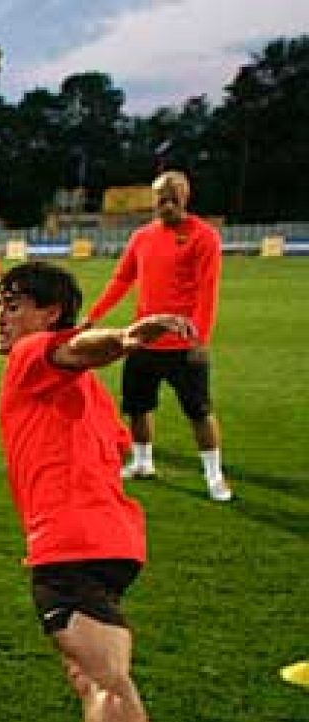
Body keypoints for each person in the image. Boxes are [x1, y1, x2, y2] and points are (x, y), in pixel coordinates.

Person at [0, 260, 194, 722]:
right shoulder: (88, 398)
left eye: (15, 303)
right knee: (88, 675)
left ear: (49, 314)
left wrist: (127, 338)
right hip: (109, 542)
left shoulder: (35, 355)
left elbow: (80, 349)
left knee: (106, 679)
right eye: (0, 303)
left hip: (71, 544)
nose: (2, 315)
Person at [84, 170, 231, 501]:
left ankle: (214, 475)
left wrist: (198, 339)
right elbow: (121, 280)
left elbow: (208, 292)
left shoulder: (203, 237)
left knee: (199, 411)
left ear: (186, 196)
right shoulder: (142, 237)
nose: (166, 203)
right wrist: (94, 316)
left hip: (183, 344)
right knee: (137, 405)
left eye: (172, 196)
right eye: (161, 197)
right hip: (143, 339)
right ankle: (142, 462)